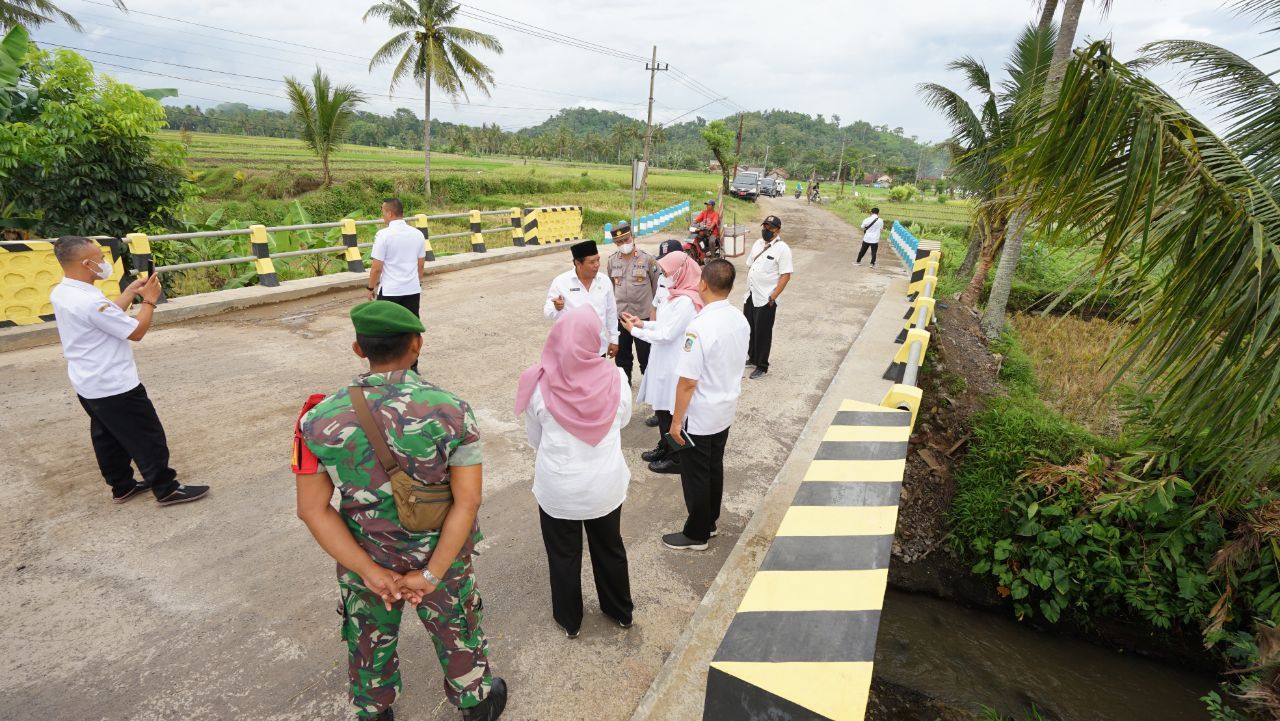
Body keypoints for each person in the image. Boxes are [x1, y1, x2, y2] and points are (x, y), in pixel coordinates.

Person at [294, 301, 507, 721]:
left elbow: (312, 510)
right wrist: (429, 574)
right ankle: (475, 703)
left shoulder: (316, 420)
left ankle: (374, 710)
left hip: (366, 556)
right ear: (417, 344)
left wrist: (370, 572)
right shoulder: (452, 410)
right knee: (457, 628)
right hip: (441, 555)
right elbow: (468, 500)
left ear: (359, 349)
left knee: (368, 639)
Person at [49, 236, 209, 506]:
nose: (104, 262)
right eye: (100, 258)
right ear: (86, 263)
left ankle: (122, 486)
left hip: (88, 382)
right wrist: (149, 301)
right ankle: (166, 487)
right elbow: (135, 331)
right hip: (114, 383)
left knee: (107, 436)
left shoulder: (64, 291)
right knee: (147, 435)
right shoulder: (88, 301)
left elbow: (105, 318)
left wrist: (130, 293)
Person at [518, 305, 634, 639]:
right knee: (610, 548)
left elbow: (535, 439)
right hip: (604, 486)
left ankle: (571, 621)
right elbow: (623, 419)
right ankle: (620, 611)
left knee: (563, 555)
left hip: (558, 489)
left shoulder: (537, 383)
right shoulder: (616, 377)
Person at [661, 259, 750, 551]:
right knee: (713, 466)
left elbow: (687, 382)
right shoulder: (740, 319)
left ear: (702, 284)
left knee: (696, 473)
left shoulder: (698, 327)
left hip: (700, 414)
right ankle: (709, 522)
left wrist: (675, 422)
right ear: (731, 286)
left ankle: (697, 533)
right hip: (724, 407)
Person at [624, 250, 702, 475]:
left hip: (674, 362)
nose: (664, 276)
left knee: (670, 408)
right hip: (662, 358)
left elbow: (668, 334)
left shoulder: (687, 301)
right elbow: (661, 326)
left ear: (681, 272)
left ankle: (677, 458)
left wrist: (636, 333)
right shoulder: (673, 295)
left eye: (668, 272)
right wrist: (642, 325)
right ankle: (666, 446)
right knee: (661, 408)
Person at [368, 198, 426, 371]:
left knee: (385, 329)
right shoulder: (417, 234)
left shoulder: (383, 235)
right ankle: (412, 366)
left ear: (389, 213)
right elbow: (420, 265)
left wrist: (370, 288)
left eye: (383, 212)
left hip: (391, 291)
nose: (382, 216)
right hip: (412, 290)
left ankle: (387, 366)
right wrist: (415, 282)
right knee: (411, 328)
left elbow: (376, 268)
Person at [544, 240, 619, 358]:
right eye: (592, 262)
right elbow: (548, 312)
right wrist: (556, 308)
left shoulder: (604, 281)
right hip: (571, 349)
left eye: (598, 259)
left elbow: (611, 312)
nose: (597, 265)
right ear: (578, 263)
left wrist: (614, 340)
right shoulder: (561, 282)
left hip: (598, 348)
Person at [606, 222, 659, 385]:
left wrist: (654, 313)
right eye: (619, 242)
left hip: (642, 317)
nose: (623, 245)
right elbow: (612, 287)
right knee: (622, 359)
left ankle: (651, 389)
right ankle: (624, 388)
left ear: (633, 237)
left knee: (647, 357)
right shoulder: (612, 261)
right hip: (621, 318)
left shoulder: (648, 259)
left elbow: (657, 288)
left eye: (626, 240)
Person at [743, 215, 793, 380]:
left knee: (763, 333)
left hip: (766, 298)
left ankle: (762, 366)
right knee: (750, 329)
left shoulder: (783, 249)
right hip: (751, 294)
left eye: (770, 228)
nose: (766, 230)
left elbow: (785, 275)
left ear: (777, 230)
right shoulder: (758, 243)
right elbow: (751, 264)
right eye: (764, 227)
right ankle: (752, 357)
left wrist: (773, 296)